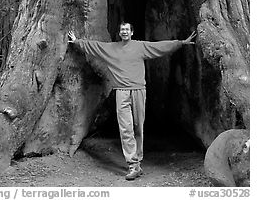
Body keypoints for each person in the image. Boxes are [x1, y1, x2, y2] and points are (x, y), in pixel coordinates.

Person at [67, 22, 196, 180]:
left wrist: (180, 43)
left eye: (127, 29)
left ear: (132, 32)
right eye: (122, 30)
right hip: (121, 92)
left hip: (139, 91)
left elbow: (159, 47)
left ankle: (138, 162)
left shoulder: (139, 46)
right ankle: (133, 165)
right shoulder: (111, 48)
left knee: (138, 126)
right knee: (125, 128)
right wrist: (77, 41)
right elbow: (94, 46)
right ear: (119, 33)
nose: (124, 32)